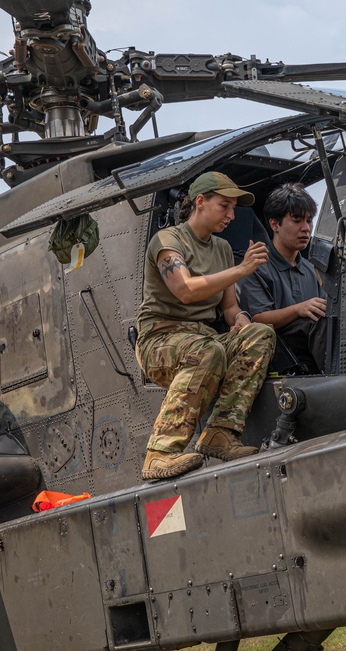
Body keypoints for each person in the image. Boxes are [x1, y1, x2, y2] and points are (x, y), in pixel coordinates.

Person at [135, 171, 276, 480]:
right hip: (159, 341)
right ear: (200, 202)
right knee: (208, 350)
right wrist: (241, 269)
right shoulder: (168, 240)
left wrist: (240, 321)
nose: (231, 214)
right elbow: (186, 289)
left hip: (203, 341)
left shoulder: (222, 249)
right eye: (224, 206)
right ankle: (160, 453)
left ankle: (220, 433)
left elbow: (229, 308)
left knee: (260, 334)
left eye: (233, 208)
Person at [238, 183, 327, 374]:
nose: (306, 228)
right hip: (277, 351)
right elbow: (257, 319)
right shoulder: (256, 266)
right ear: (274, 224)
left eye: (309, 221)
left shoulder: (313, 270)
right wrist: (298, 309)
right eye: (297, 220)